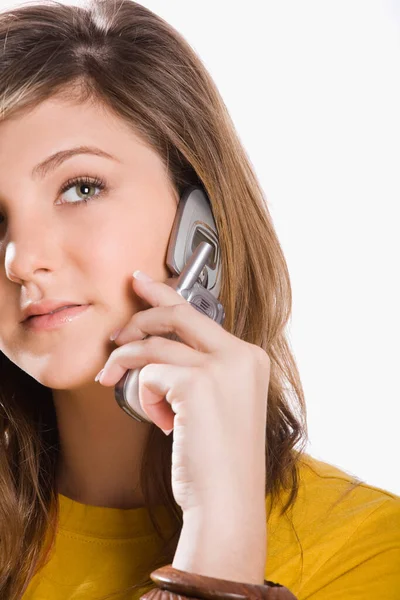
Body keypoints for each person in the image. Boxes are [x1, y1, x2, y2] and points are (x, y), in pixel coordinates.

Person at [0, 0, 398, 599]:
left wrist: (220, 535)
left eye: (81, 188)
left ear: (200, 221)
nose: (20, 260)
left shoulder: (368, 549)